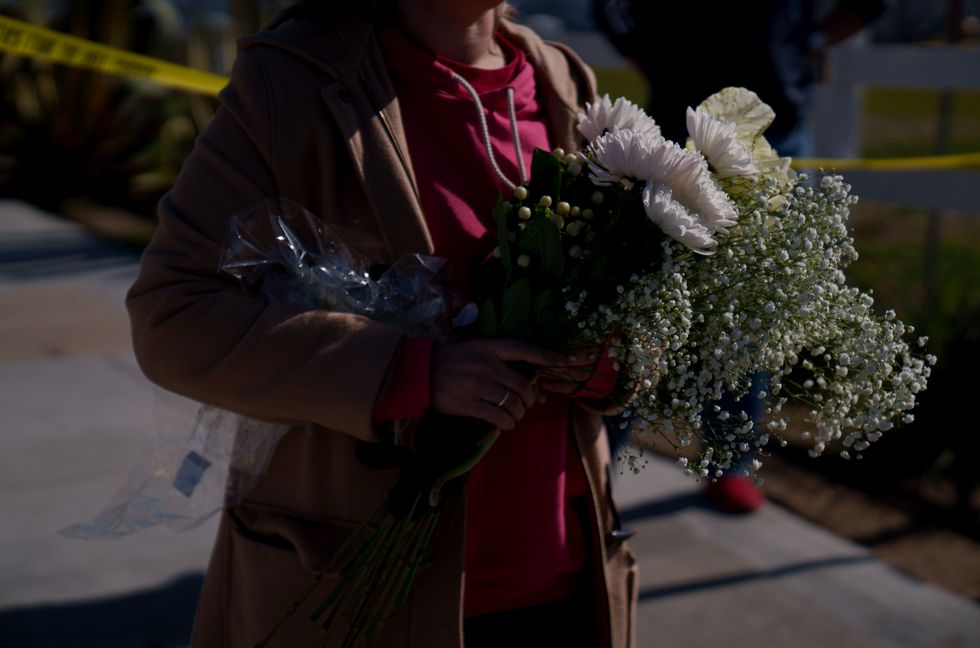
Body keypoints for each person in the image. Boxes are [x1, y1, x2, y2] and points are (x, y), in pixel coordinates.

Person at [126, 1, 637, 646]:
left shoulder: (563, 78)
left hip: (558, 583)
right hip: (365, 597)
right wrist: (405, 371)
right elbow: (173, 318)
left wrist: (605, 365)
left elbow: (625, 309)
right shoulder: (295, 81)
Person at [594, 0, 889, 513]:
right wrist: (651, 50)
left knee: (753, 309)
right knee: (640, 301)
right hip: (677, 126)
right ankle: (596, 463)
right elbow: (610, 5)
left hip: (778, 130)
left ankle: (729, 459)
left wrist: (810, 42)